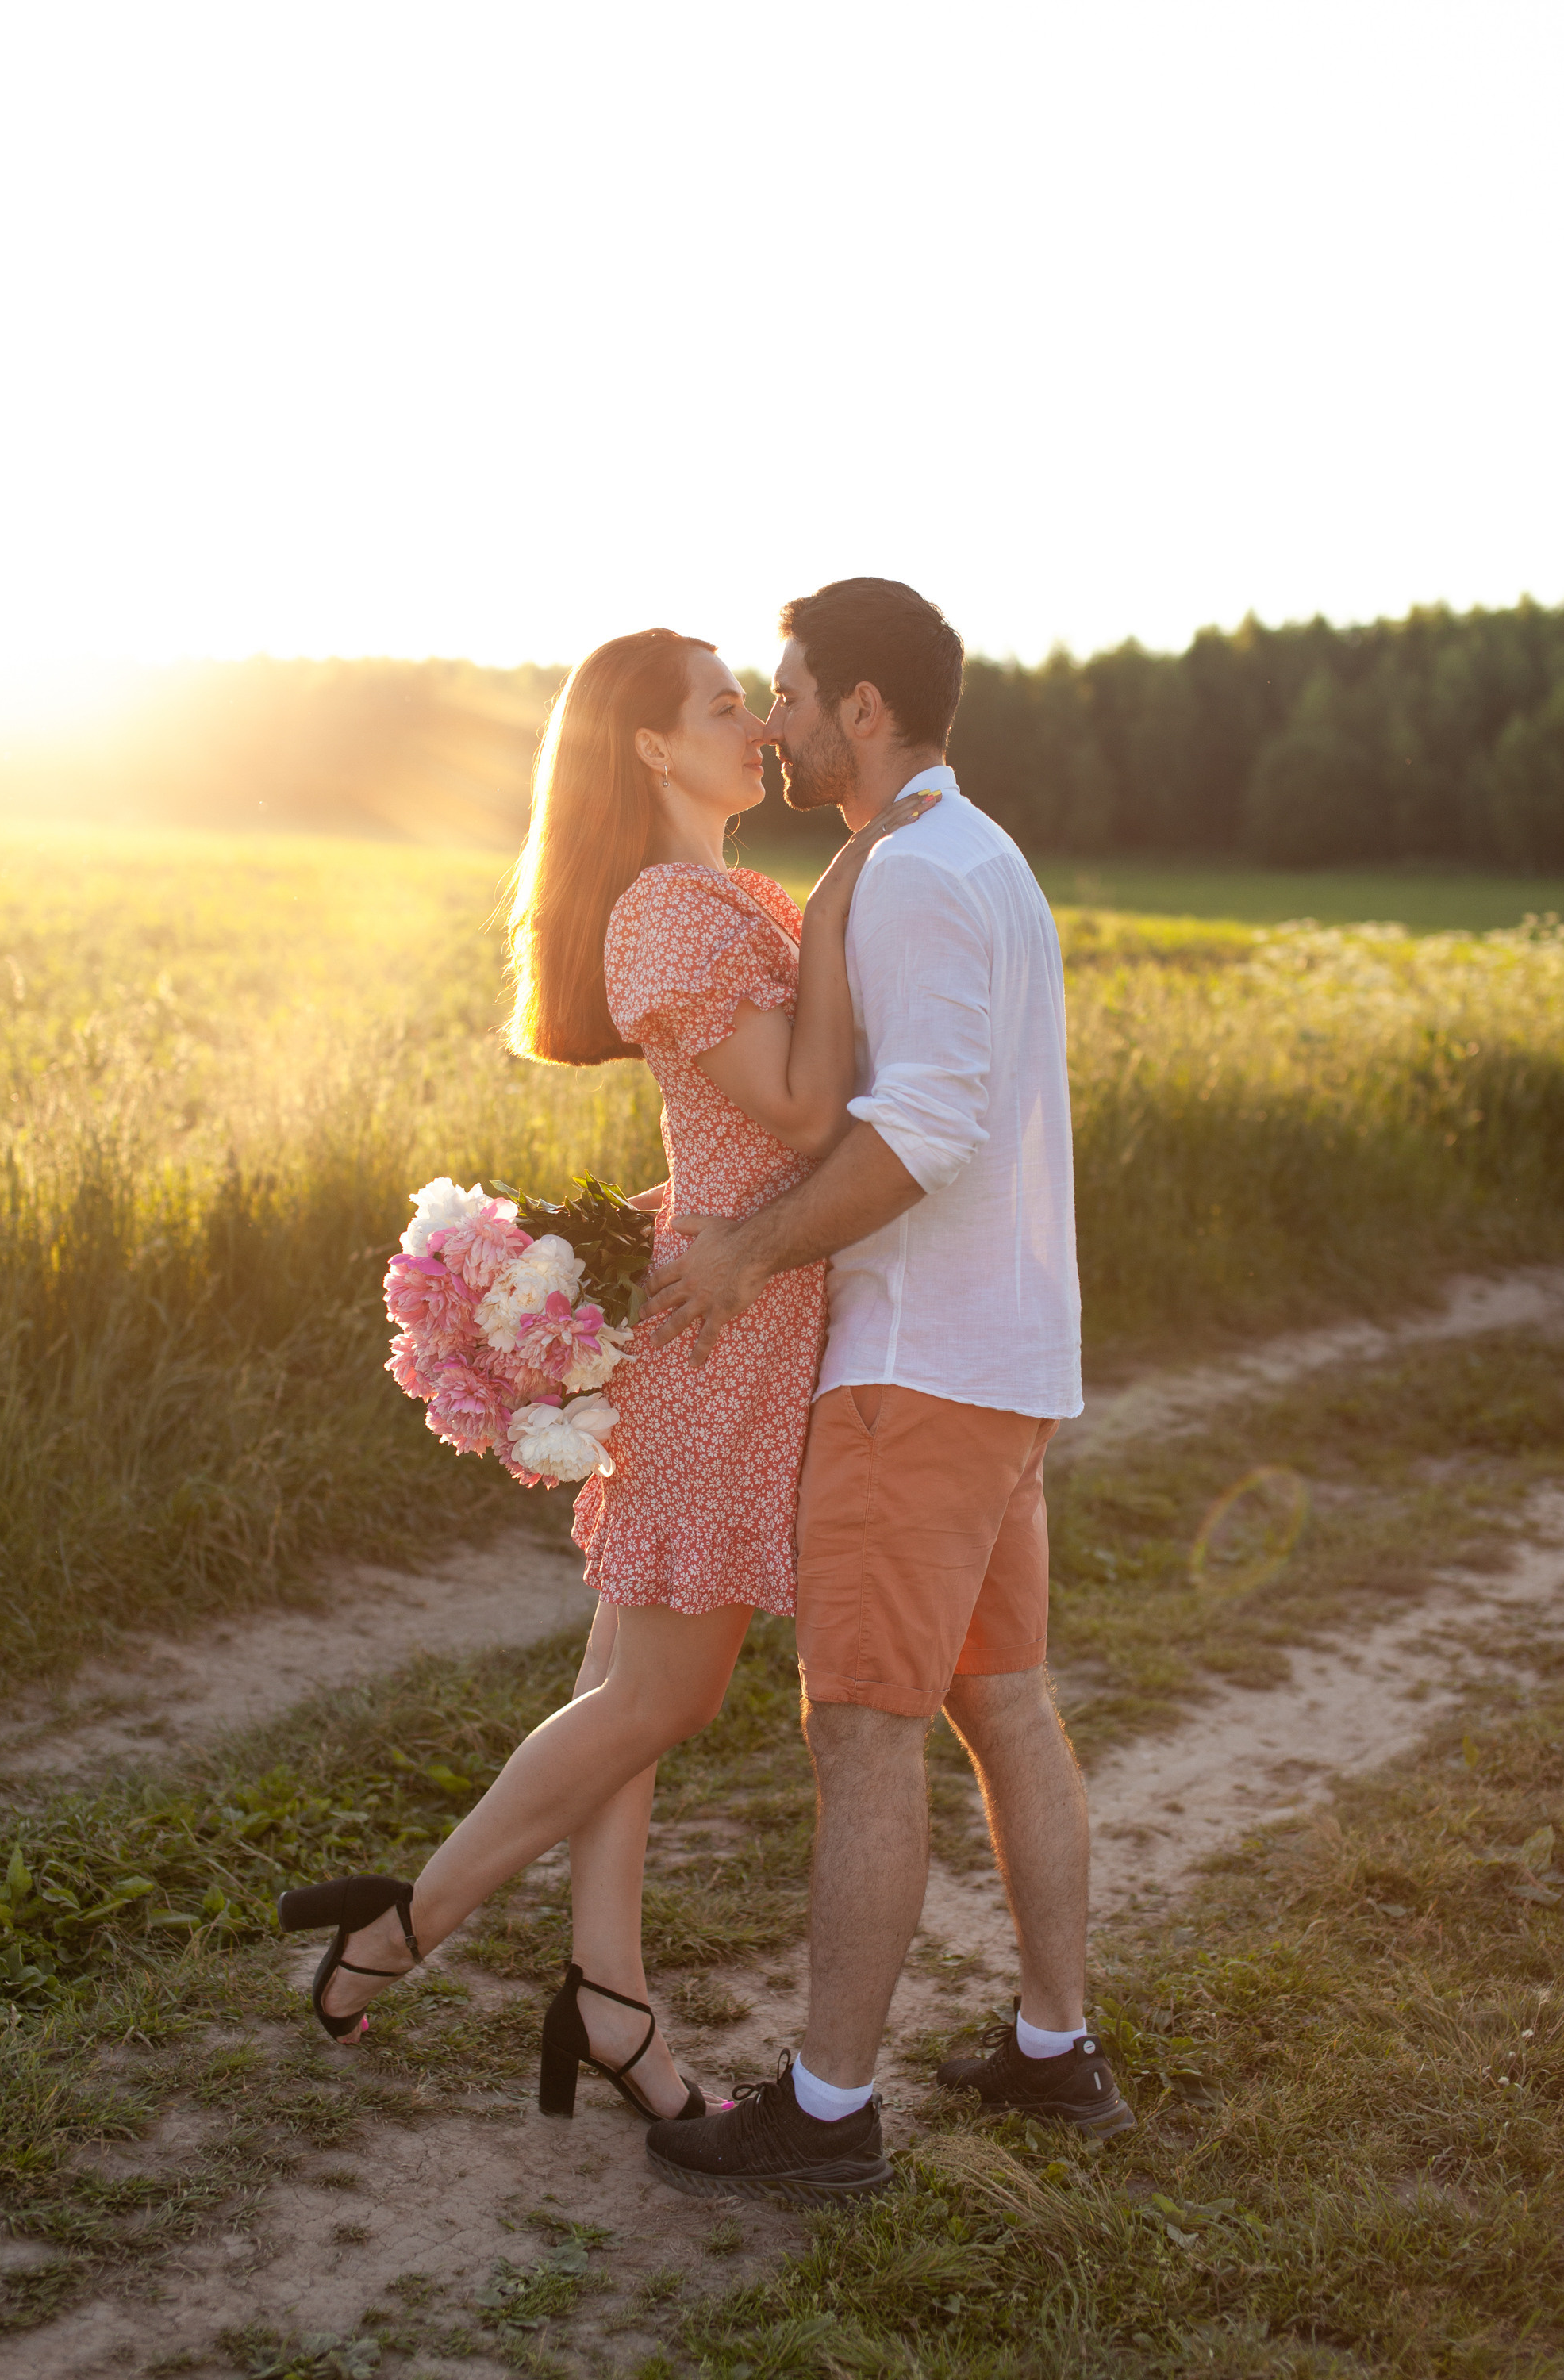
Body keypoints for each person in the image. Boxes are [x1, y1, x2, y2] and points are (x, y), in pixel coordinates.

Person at [277, 627, 935, 2125]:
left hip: (731, 1313)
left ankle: (612, 1996)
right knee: (661, 1695)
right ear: (650, 746)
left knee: (623, 1685)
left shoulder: (716, 898)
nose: (758, 729)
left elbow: (728, 1149)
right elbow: (809, 1111)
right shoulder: (671, 914)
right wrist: (844, 901)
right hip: (727, 1346)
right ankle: (404, 1926)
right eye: (726, 706)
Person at [641, 577, 1134, 2204]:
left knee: (862, 1735)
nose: (771, 722)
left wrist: (741, 1259)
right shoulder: (963, 852)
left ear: (861, 709)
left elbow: (918, 1136)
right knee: (1001, 1705)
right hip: (1004, 1369)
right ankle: (1056, 2053)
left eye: (786, 694)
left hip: (912, 1377)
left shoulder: (917, 876)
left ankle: (828, 2110)